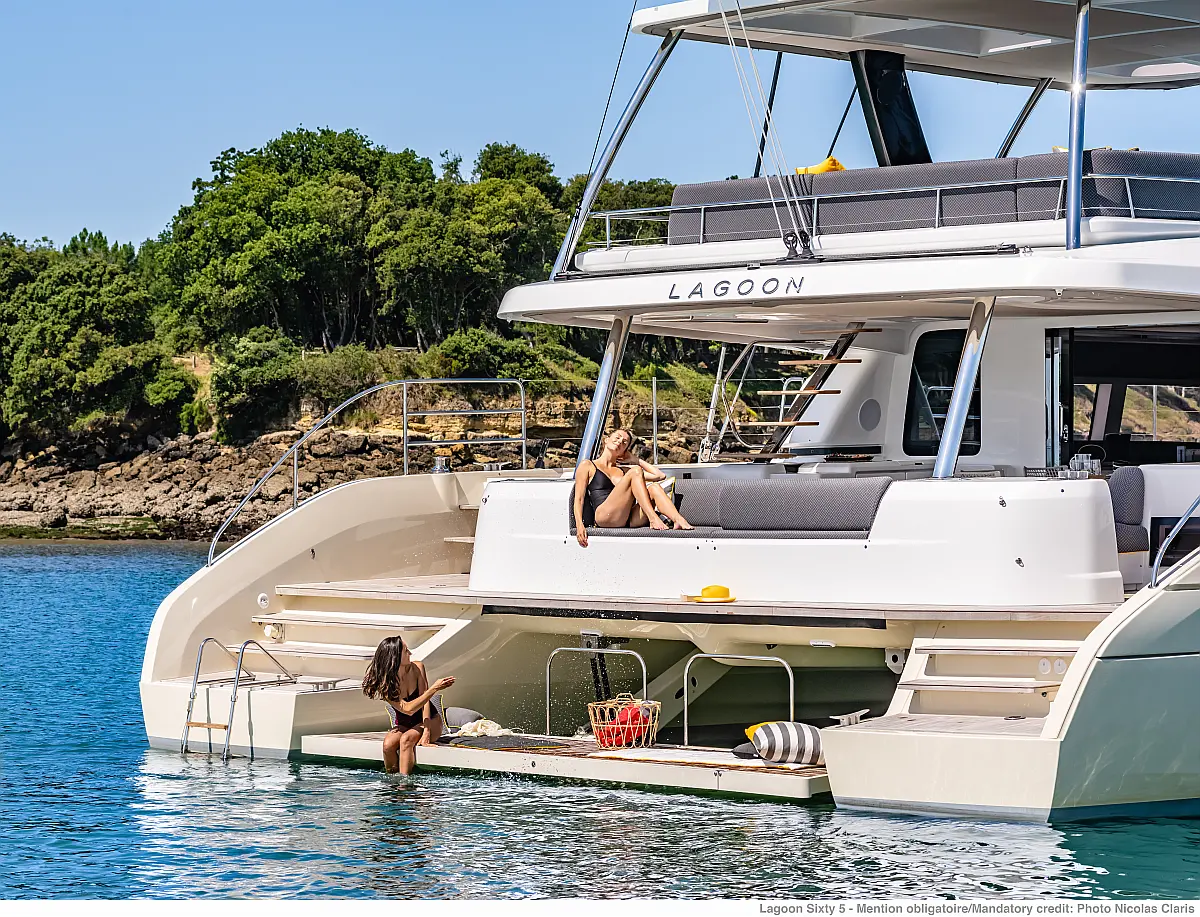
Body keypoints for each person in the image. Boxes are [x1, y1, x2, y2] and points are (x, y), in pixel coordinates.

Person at [573, 428, 692, 548]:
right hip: (604, 517)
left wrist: (636, 460)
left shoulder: (624, 471)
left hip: (627, 519)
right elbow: (579, 498)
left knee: (654, 488)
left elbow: (660, 476)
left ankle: (678, 520)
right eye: (617, 437)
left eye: (624, 442)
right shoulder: (587, 465)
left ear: (624, 451)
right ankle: (653, 518)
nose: (620, 441)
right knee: (636, 471)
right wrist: (579, 525)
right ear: (606, 440)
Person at [362, 635, 455, 774]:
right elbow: (408, 709)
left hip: (430, 721)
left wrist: (426, 732)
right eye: (406, 651)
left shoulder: (417, 667)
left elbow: (425, 702)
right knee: (388, 745)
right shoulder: (385, 682)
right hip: (405, 723)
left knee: (406, 740)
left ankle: (405, 784)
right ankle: (392, 781)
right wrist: (434, 688)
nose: (410, 653)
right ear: (395, 657)